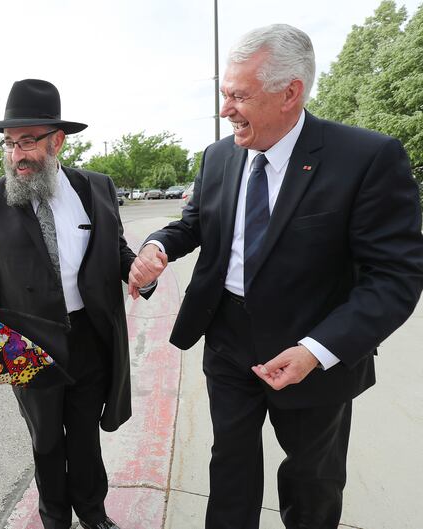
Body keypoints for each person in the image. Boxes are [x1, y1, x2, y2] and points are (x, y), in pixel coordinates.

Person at [128, 24, 423, 529]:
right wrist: (158, 247)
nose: (225, 110)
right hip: (226, 341)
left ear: (290, 93)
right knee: (230, 472)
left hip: (312, 350)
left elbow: (395, 276)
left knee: (312, 483)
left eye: (239, 95)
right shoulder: (219, 155)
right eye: (224, 94)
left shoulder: (367, 158)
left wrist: (317, 350)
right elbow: (196, 222)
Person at [0, 79, 153, 529]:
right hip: (29, 343)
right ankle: (55, 518)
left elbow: (116, 249)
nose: (17, 154)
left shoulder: (97, 187)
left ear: (57, 140)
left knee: (86, 436)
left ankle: (92, 512)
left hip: (90, 334)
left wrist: (138, 270)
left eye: (28, 142)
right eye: (10, 144)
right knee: (46, 440)